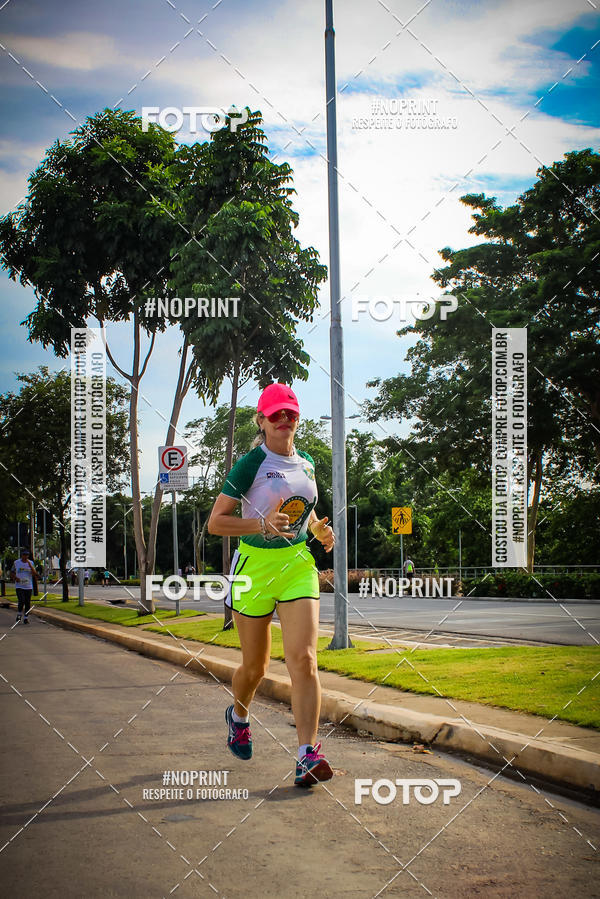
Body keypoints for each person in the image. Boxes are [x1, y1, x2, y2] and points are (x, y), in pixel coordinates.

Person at [208, 383, 335, 787]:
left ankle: (307, 754)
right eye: (275, 414)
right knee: (256, 666)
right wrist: (260, 524)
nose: (284, 419)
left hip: (297, 564)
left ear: (298, 419)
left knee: (304, 659)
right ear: (261, 421)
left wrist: (317, 529)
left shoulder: (307, 462)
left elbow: (305, 509)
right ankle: (238, 715)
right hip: (254, 568)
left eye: (290, 413)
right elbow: (216, 523)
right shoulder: (251, 464)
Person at [10, 549, 36, 625]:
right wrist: (15, 578)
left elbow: (34, 573)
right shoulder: (16, 562)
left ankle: (26, 618)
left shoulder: (31, 563)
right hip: (19, 586)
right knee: (21, 600)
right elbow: (12, 572)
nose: (25, 557)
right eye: (24, 555)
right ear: (22, 555)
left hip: (28, 586)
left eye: (27, 555)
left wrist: (30, 565)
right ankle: (19, 615)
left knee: (27, 602)